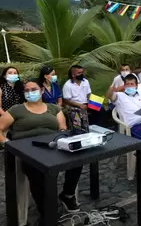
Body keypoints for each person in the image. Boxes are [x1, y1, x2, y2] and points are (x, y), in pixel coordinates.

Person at [0, 79, 82, 225]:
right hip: (27, 150)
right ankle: (47, 213)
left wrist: (62, 140)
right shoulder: (16, 110)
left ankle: (67, 194)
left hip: (52, 146)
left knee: (78, 158)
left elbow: (62, 129)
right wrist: (7, 143)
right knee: (36, 172)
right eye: (27, 90)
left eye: (34, 89)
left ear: (42, 90)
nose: (30, 93)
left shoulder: (53, 108)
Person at [62, 65, 91, 132]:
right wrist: (79, 105)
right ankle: (80, 131)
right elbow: (66, 100)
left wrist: (90, 102)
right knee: (80, 112)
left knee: (101, 109)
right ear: (73, 75)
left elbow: (89, 94)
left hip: (86, 103)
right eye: (79, 73)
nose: (81, 74)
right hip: (74, 105)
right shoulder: (68, 85)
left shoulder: (85, 81)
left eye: (82, 72)